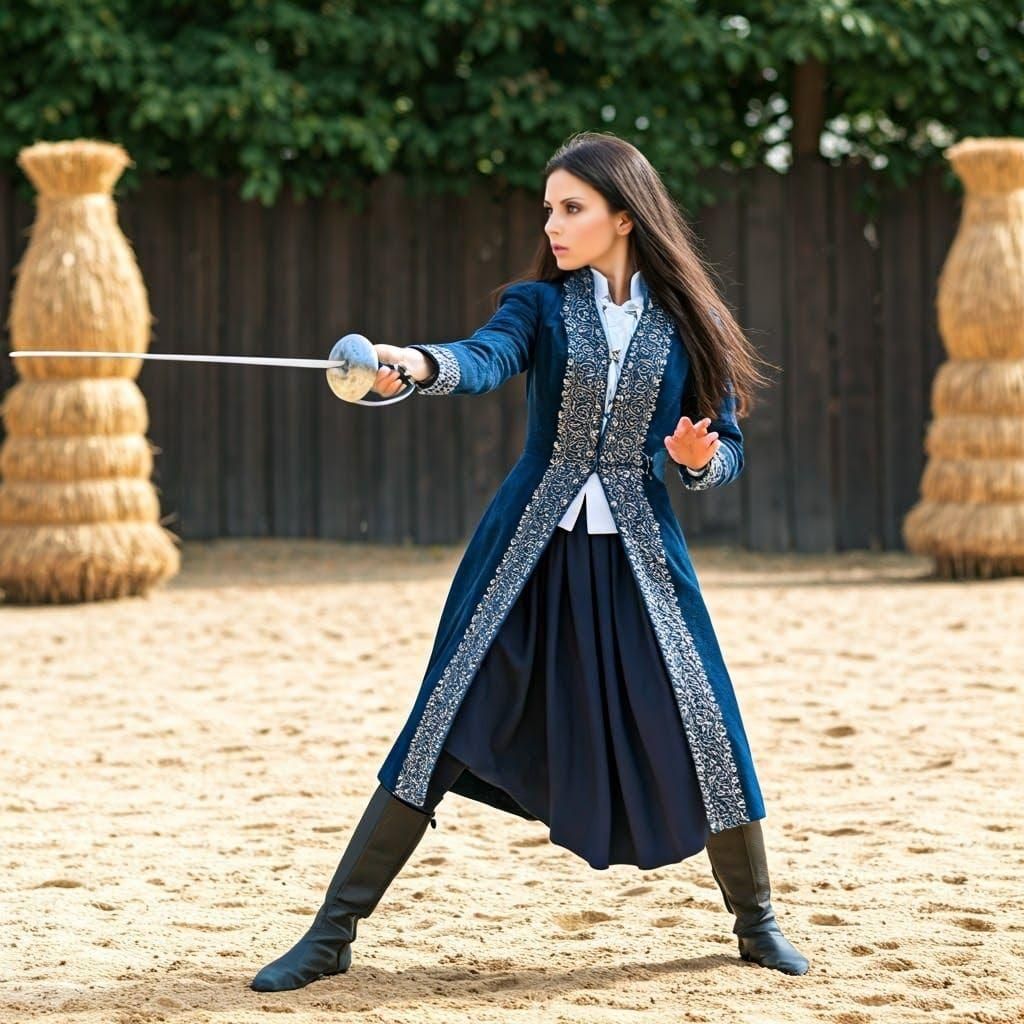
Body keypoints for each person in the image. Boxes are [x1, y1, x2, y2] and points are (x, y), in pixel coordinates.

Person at [249, 131, 809, 992]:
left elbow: (725, 451)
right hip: (524, 553)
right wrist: (416, 365)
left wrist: (699, 459)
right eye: (549, 207)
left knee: (707, 721)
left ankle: (756, 920)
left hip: (641, 563)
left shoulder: (690, 323)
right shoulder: (538, 307)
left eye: (571, 208)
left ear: (625, 216)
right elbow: (483, 358)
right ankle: (331, 934)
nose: (552, 223)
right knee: (438, 722)